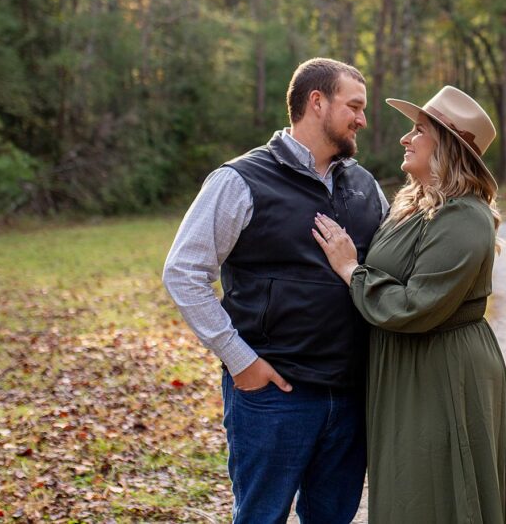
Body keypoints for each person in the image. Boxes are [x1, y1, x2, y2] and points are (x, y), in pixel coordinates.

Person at [162, 58, 387, 524]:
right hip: (274, 395)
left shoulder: (365, 186)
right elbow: (184, 271)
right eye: (355, 106)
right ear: (316, 101)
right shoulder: (240, 180)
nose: (363, 119)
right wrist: (240, 361)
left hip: (350, 395)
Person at [313, 85, 506, 524]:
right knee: (407, 490)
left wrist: (351, 271)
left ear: (449, 149)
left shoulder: (464, 216)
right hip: (406, 367)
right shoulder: (412, 206)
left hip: (442, 370)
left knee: (435, 492)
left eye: (418, 130)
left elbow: (415, 306)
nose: (405, 138)